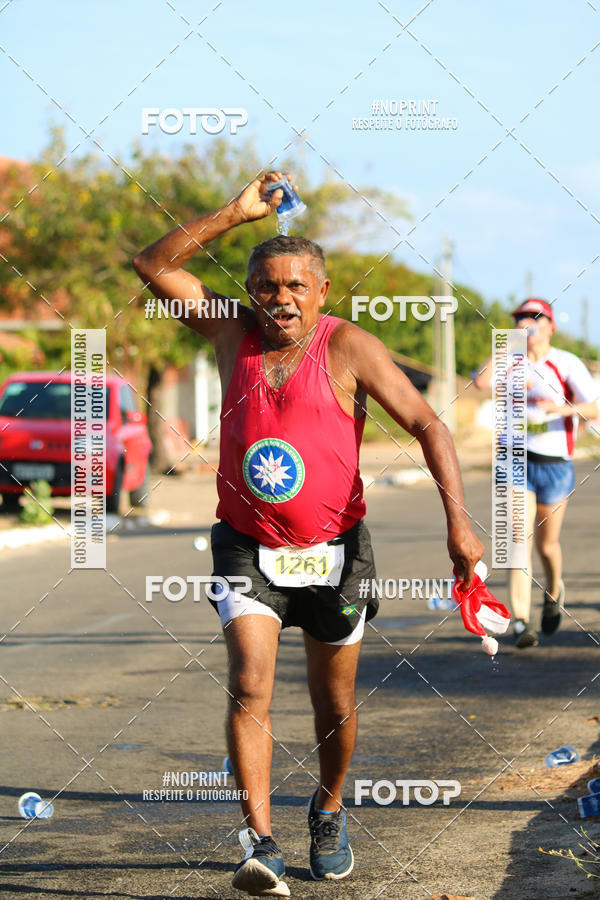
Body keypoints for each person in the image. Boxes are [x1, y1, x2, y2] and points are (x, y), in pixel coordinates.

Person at [133, 171, 484, 897]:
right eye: (267, 285)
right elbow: (154, 265)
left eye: (296, 286)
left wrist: (460, 523)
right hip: (245, 542)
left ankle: (328, 808)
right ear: (251, 290)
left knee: (333, 704)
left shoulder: (350, 346)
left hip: (336, 550)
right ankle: (259, 842)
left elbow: (427, 424)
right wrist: (235, 211)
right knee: (249, 684)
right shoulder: (230, 330)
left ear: (321, 293)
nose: (281, 299)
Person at [474, 298, 599, 649]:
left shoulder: (565, 362)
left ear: (551, 325)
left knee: (547, 545)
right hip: (515, 458)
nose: (527, 322)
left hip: (554, 463)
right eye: (520, 317)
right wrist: (506, 345)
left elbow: (593, 405)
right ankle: (521, 620)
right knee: (518, 538)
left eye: (535, 317)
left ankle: (554, 590)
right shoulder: (510, 360)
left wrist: (557, 408)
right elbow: (481, 384)